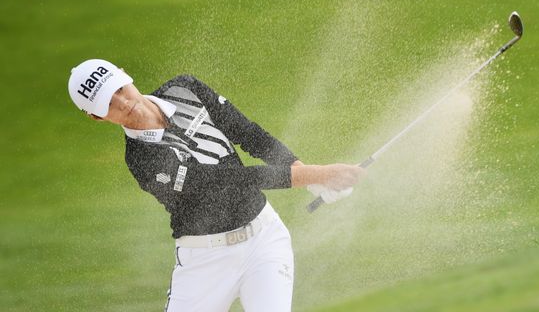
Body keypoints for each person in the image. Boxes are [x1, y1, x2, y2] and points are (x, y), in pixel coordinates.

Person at [67, 59, 364, 312]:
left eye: (119, 89)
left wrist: (299, 167)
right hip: (204, 263)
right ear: (97, 116)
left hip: (264, 241)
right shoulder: (143, 161)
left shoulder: (184, 89)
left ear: (124, 74)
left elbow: (246, 132)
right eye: (108, 103)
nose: (124, 102)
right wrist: (316, 175)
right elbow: (228, 184)